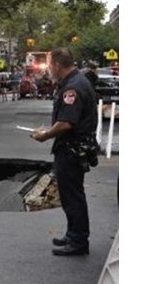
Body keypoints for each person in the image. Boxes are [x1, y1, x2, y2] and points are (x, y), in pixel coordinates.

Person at [31, 48, 99, 256]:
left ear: (58, 65)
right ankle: (72, 234)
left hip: (72, 148)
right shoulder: (73, 82)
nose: (49, 70)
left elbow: (67, 123)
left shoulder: (73, 88)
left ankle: (78, 241)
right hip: (71, 147)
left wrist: (46, 134)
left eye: (50, 65)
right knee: (70, 194)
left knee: (72, 195)